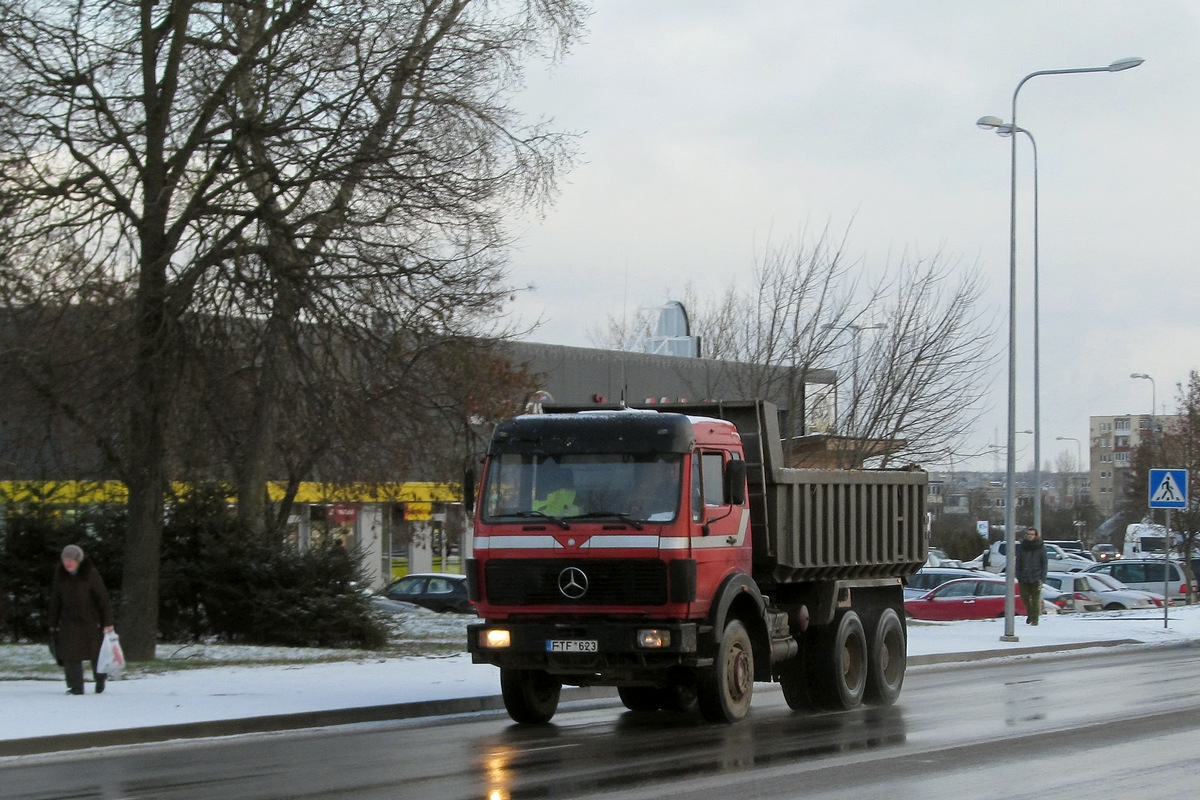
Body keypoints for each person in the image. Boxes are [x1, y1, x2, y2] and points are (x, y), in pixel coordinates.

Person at [49, 544, 114, 695]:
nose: (68, 562)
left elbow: (103, 600)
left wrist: (108, 622)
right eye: (65, 559)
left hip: (90, 621)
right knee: (69, 655)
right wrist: (52, 623)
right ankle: (75, 687)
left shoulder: (90, 574)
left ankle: (100, 680)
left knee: (95, 654)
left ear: (78, 560)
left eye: (71, 559)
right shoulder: (60, 575)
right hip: (68, 621)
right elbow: (55, 600)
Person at [1014, 527, 1049, 626]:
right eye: (1028, 534)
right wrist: (1018, 574)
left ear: (1036, 535)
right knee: (1024, 597)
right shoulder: (1022, 546)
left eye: (1032, 534)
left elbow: (1044, 564)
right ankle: (1030, 612)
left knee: (1035, 598)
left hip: (1036, 577)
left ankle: (1035, 619)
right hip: (1023, 577)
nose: (1030, 536)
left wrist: (1042, 577)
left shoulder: (1041, 547)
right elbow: (1018, 562)